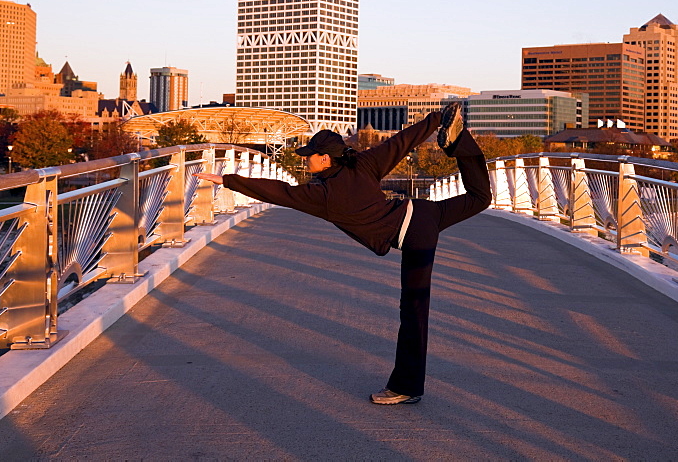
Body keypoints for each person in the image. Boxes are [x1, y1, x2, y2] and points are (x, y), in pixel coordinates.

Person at [194, 102, 491, 404]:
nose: (305, 161)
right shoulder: (361, 164)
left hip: (414, 233)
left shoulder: (323, 195)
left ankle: (406, 386)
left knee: (413, 311)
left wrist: (228, 180)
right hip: (425, 213)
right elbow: (400, 143)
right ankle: (459, 141)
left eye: (309, 156)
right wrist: (436, 120)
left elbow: (279, 192)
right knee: (480, 197)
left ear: (324, 159)